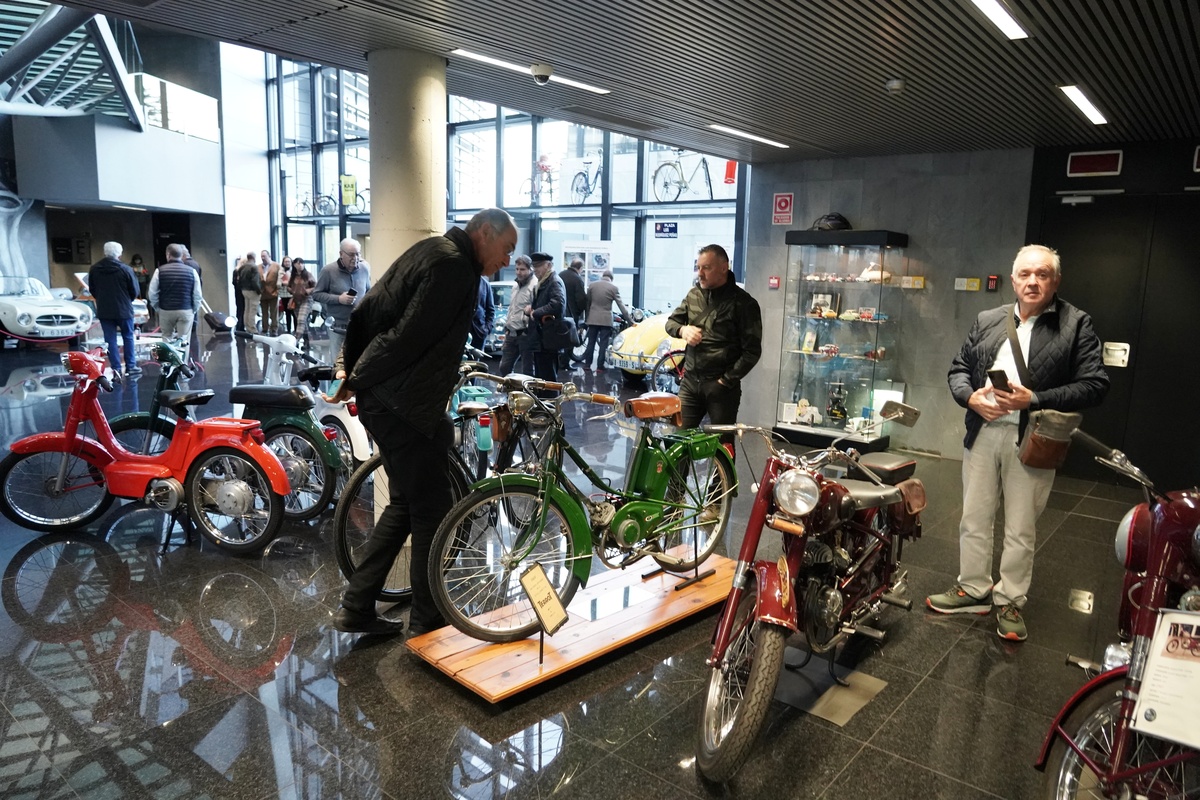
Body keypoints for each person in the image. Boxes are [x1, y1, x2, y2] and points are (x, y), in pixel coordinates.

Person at [327, 207, 518, 637]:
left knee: (406, 504)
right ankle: (428, 621)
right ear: (484, 233)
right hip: (405, 406)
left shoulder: (434, 250)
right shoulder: (454, 267)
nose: (507, 261)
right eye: (506, 249)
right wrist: (356, 377)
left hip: (394, 403)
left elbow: (371, 309)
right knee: (432, 510)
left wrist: (352, 370)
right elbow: (406, 337)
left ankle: (357, 606)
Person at [928, 244, 1109, 642]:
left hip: (1034, 438)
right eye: (1025, 274)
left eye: (1042, 274)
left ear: (1055, 281)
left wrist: (1036, 399)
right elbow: (959, 368)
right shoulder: (988, 319)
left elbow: (1095, 385)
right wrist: (970, 396)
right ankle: (974, 588)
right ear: (1012, 280)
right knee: (973, 517)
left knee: (1020, 528)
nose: (1033, 281)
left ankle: (1010, 599)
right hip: (983, 432)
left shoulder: (1075, 323)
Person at [664, 244, 762, 454]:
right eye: (698, 267)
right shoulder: (693, 296)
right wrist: (683, 330)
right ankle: (676, 489)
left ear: (724, 267)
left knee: (722, 449)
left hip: (721, 389)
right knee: (677, 445)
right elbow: (670, 323)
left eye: (706, 267)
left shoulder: (744, 303)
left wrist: (725, 381)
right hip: (690, 384)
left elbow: (752, 351)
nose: (700, 273)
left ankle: (722, 488)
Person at [314, 237, 370, 363]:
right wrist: (339, 299)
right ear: (341, 254)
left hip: (358, 324)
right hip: (337, 325)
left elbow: (368, 292)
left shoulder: (364, 269)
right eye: (351, 254)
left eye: (357, 254)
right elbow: (316, 294)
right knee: (339, 363)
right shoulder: (328, 271)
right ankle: (338, 383)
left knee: (358, 360)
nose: (355, 258)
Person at [88, 241, 140, 376]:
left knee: (109, 340)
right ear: (120, 253)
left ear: (104, 252)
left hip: (105, 309)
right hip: (124, 309)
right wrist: (128, 300)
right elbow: (134, 290)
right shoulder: (125, 269)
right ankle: (130, 366)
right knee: (128, 337)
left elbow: (92, 289)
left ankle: (116, 367)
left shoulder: (95, 269)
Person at [149, 243, 203, 346]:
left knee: (167, 338)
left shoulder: (159, 271)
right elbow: (197, 294)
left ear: (168, 255)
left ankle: (168, 361)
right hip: (186, 309)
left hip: (166, 310)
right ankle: (182, 361)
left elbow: (152, 293)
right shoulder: (191, 271)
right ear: (182, 255)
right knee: (184, 340)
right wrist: (194, 309)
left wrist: (158, 308)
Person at [578, 269, 630, 371]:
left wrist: (587, 318)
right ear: (611, 278)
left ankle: (587, 365)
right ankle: (599, 367)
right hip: (606, 320)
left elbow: (587, 303)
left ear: (603, 276)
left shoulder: (592, 286)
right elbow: (621, 306)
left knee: (591, 342)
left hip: (592, 319)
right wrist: (630, 321)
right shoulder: (613, 288)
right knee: (603, 343)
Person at [497, 255, 539, 376]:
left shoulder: (535, 286)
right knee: (504, 368)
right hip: (511, 333)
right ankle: (511, 392)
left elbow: (536, 309)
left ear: (530, 269)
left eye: (522, 269)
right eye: (517, 269)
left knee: (528, 371)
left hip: (526, 334)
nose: (518, 272)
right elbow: (512, 308)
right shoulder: (515, 286)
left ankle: (527, 394)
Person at [525, 252, 564, 383]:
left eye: (538, 266)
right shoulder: (546, 281)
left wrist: (535, 312)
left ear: (548, 265)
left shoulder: (553, 281)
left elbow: (558, 304)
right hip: (543, 339)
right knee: (542, 379)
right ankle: (545, 402)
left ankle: (550, 403)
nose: (534, 270)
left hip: (548, 339)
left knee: (547, 380)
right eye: (534, 266)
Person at [558, 257, 586, 368]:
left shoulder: (560, 275)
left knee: (559, 338)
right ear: (580, 268)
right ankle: (565, 363)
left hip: (559, 312)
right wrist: (579, 312)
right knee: (569, 340)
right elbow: (581, 299)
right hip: (571, 313)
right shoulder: (577, 279)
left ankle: (558, 361)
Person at [289, 258, 316, 346]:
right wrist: (291, 290)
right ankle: (306, 340)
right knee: (302, 322)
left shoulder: (308, 275)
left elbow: (316, 286)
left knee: (301, 320)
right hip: (296, 300)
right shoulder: (293, 276)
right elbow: (289, 287)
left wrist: (309, 290)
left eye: (301, 263)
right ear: (294, 265)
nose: (300, 265)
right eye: (298, 263)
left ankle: (295, 340)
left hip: (307, 299)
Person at [237, 251, 262, 333]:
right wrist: (259, 291)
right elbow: (255, 281)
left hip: (244, 290)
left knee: (246, 309)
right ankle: (252, 328)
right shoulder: (254, 267)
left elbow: (239, 280)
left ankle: (247, 327)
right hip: (252, 290)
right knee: (252, 310)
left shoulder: (242, 267)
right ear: (254, 257)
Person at [470, 275, 495, 351]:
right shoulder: (463, 282)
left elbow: (490, 310)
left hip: (479, 331)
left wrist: (487, 329)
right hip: (462, 330)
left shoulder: (485, 284)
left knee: (476, 361)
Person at [260, 255, 280, 335]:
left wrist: (278, 289)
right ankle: (265, 328)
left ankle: (274, 328)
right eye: (261, 256)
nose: (263, 258)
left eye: (264, 256)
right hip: (262, 293)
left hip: (273, 292)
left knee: (274, 312)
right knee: (264, 312)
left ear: (269, 256)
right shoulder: (259, 267)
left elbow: (280, 277)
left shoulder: (276, 266)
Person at [278, 256, 294, 333]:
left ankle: (296, 330)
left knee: (294, 313)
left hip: (293, 295)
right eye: (286, 262)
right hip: (284, 295)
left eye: (288, 261)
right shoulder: (280, 271)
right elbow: (279, 282)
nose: (287, 263)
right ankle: (289, 330)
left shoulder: (294, 271)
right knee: (287, 313)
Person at [231, 255, 247, 332]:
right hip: (244, 292)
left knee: (239, 309)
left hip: (237, 292)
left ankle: (238, 325)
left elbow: (233, 282)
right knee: (244, 309)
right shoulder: (244, 272)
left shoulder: (235, 271)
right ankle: (242, 325)